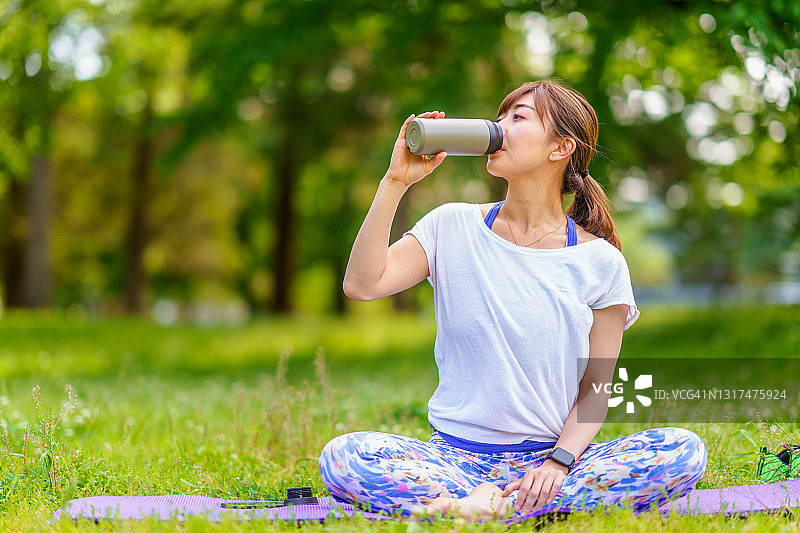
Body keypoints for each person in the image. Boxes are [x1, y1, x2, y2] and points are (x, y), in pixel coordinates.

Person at [318, 80, 707, 519]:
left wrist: (558, 464)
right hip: (452, 461)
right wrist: (394, 182)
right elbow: (362, 285)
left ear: (560, 147)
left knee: (683, 450)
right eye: (500, 116)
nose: (498, 127)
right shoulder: (451, 225)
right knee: (343, 456)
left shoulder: (600, 262)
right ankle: (507, 507)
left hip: (549, 462)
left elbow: (596, 390)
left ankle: (474, 509)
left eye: (517, 117)